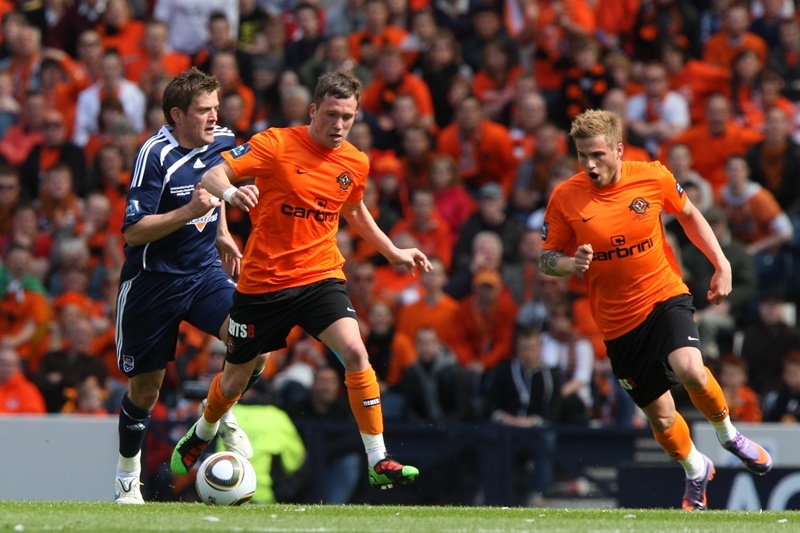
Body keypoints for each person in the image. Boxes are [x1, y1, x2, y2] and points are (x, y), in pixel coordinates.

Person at [170, 71, 431, 491]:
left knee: (356, 352)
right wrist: (233, 194)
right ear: (313, 110)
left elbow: (355, 210)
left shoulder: (355, 161)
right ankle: (202, 430)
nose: (339, 125)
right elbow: (213, 174)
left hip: (320, 276)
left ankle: (378, 458)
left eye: (347, 117)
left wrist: (393, 251)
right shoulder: (275, 143)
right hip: (263, 284)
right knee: (236, 379)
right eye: (331, 114)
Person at [539, 109, 773, 511]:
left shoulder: (652, 175)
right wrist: (569, 263)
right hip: (617, 324)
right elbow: (546, 259)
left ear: (618, 149)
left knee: (691, 369)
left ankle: (729, 434)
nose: (590, 165)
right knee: (662, 418)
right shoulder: (566, 197)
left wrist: (722, 263)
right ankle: (695, 469)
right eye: (582, 156)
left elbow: (688, 215)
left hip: (663, 295)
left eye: (597, 155)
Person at [113, 67, 265, 505]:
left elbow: (217, 184)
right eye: (203, 110)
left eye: (216, 107)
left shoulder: (222, 140)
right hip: (151, 284)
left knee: (256, 344)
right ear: (177, 114)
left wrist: (219, 230)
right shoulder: (154, 155)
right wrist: (187, 213)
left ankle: (214, 414)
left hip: (202, 275)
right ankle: (127, 477)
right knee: (146, 392)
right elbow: (133, 231)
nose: (214, 117)